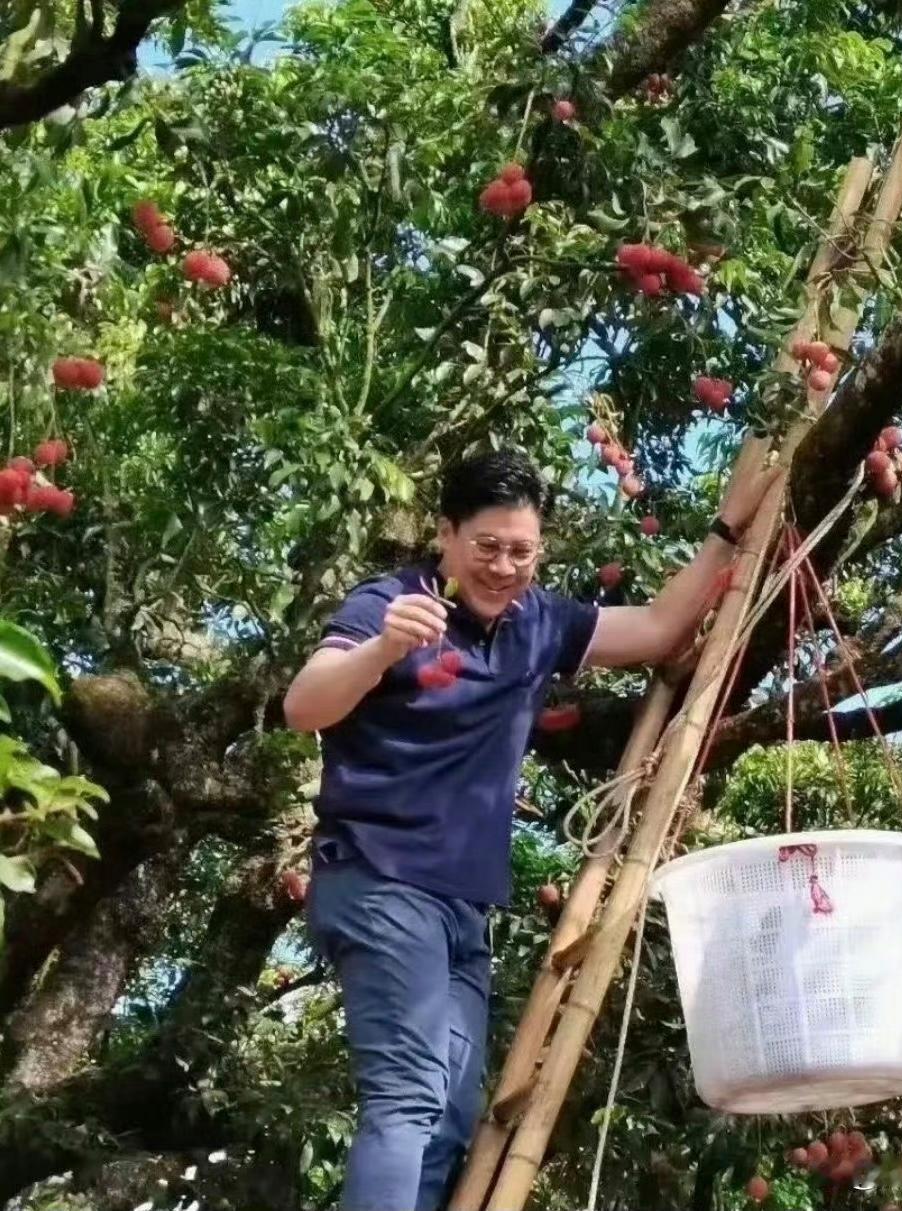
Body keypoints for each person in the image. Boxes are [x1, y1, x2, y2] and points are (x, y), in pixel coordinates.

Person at [283, 448, 776, 1211]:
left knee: (448, 1119)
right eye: (486, 546)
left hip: (461, 906)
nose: (503, 566)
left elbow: (657, 626)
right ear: (445, 536)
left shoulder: (537, 622)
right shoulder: (391, 602)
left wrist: (725, 529)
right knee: (410, 1095)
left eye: (522, 550)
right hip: (379, 879)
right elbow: (304, 706)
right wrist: (383, 648)